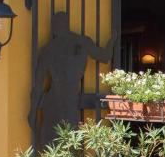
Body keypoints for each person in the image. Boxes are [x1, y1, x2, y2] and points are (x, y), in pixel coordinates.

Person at [28, 11, 117, 149]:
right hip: (60, 98)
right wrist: (33, 111)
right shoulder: (55, 48)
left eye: (56, 25)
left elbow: (104, 56)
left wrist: (113, 39)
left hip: (63, 98)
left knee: (63, 143)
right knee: (60, 143)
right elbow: (105, 56)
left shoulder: (57, 47)